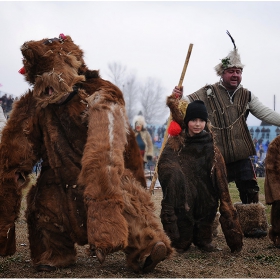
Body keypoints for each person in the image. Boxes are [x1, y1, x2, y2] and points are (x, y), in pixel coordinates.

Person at [0, 34, 174, 273]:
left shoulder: (99, 91)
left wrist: (103, 204)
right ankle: (55, 253)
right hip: (59, 179)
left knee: (126, 203)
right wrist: (12, 185)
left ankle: (146, 248)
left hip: (105, 172)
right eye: (40, 78)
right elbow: (15, 152)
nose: (47, 85)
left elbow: (107, 148)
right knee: (41, 206)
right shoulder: (33, 106)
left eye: (54, 73)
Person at [170, 31, 279, 238]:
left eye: (238, 71)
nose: (235, 75)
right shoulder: (208, 92)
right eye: (231, 71)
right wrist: (179, 95)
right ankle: (205, 228)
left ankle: (252, 225)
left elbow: (266, 113)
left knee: (249, 188)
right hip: (215, 155)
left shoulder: (247, 95)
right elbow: (187, 104)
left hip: (241, 154)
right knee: (209, 193)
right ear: (222, 73)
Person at [158, 98, 243, 253]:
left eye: (201, 120)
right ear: (187, 121)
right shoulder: (177, 143)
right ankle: (179, 241)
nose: (197, 124)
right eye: (193, 120)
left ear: (205, 122)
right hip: (184, 191)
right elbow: (165, 163)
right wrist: (175, 174)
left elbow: (220, 170)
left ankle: (203, 240)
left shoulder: (210, 144)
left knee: (207, 212)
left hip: (206, 191)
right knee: (183, 215)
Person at [264, 135, 280, 248]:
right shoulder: (276, 144)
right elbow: (271, 169)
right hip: (279, 186)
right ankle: (277, 235)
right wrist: (276, 192)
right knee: (278, 211)